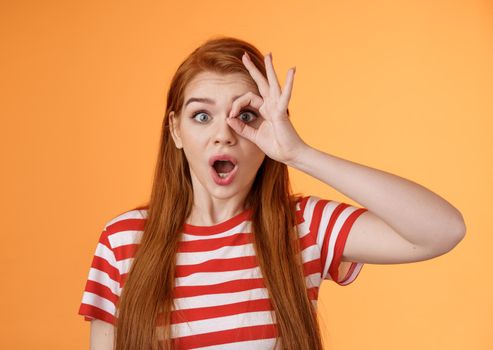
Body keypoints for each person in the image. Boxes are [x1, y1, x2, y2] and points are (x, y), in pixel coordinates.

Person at [77, 36, 466, 350]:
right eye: (201, 115)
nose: (224, 134)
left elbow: (442, 230)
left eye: (245, 115)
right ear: (176, 130)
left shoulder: (304, 227)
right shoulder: (124, 240)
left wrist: (300, 154)